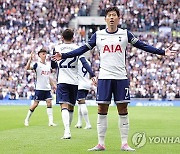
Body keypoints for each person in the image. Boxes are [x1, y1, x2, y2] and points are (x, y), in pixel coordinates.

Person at [52, 6, 177, 151]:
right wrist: (64, 55)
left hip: (120, 77)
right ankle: (101, 143)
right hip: (104, 77)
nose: (111, 17)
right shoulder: (98, 35)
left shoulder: (125, 34)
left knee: (123, 108)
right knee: (101, 108)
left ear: (119, 18)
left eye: (114, 15)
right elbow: (82, 49)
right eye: (109, 15)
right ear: (105, 19)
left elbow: (143, 45)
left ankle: (124, 143)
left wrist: (162, 52)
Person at [51, 29, 96, 139]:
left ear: (62, 37)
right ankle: (68, 130)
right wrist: (92, 74)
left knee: (64, 106)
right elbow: (84, 62)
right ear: (73, 38)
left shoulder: (57, 48)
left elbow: (53, 65)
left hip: (62, 80)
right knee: (71, 107)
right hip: (74, 81)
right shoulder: (77, 48)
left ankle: (67, 131)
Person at [24, 49, 57, 127]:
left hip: (47, 88)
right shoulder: (37, 64)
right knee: (35, 104)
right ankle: (26, 119)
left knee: (49, 103)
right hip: (39, 88)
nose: (45, 55)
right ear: (39, 55)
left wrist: (54, 85)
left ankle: (51, 122)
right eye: (43, 54)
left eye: (45, 54)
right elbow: (27, 68)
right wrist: (30, 59)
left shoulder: (48, 65)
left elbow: (48, 77)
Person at [75, 57, 93, 129]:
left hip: (80, 84)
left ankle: (88, 124)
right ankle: (79, 122)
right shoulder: (88, 62)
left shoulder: (77, 62)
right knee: (80, 103)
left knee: (82, 103)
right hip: (86, 83)